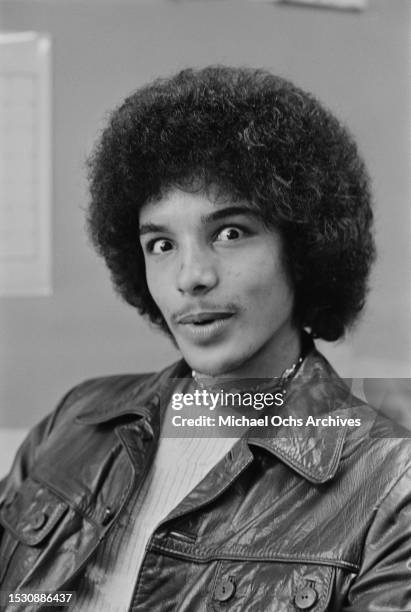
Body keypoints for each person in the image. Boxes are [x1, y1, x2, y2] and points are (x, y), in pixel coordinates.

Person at [0, 66, 410, 612]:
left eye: (230, 232)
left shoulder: (389, 485)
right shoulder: (74, 420)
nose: (191, 276)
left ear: (305, 247)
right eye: (161, 244)